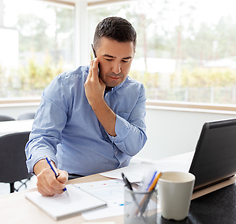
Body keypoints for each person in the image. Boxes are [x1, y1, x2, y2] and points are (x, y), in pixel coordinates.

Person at [25, 16, 147, 196]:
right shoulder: (64, 86)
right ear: (94, 53)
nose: (117, 69)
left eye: (125, 60)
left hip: (121, 179)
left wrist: (98, 103)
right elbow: (41, 139)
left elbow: (135, 145)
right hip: (74, 181)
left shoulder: (136, 91)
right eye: (109, 58)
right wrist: (45, 169)